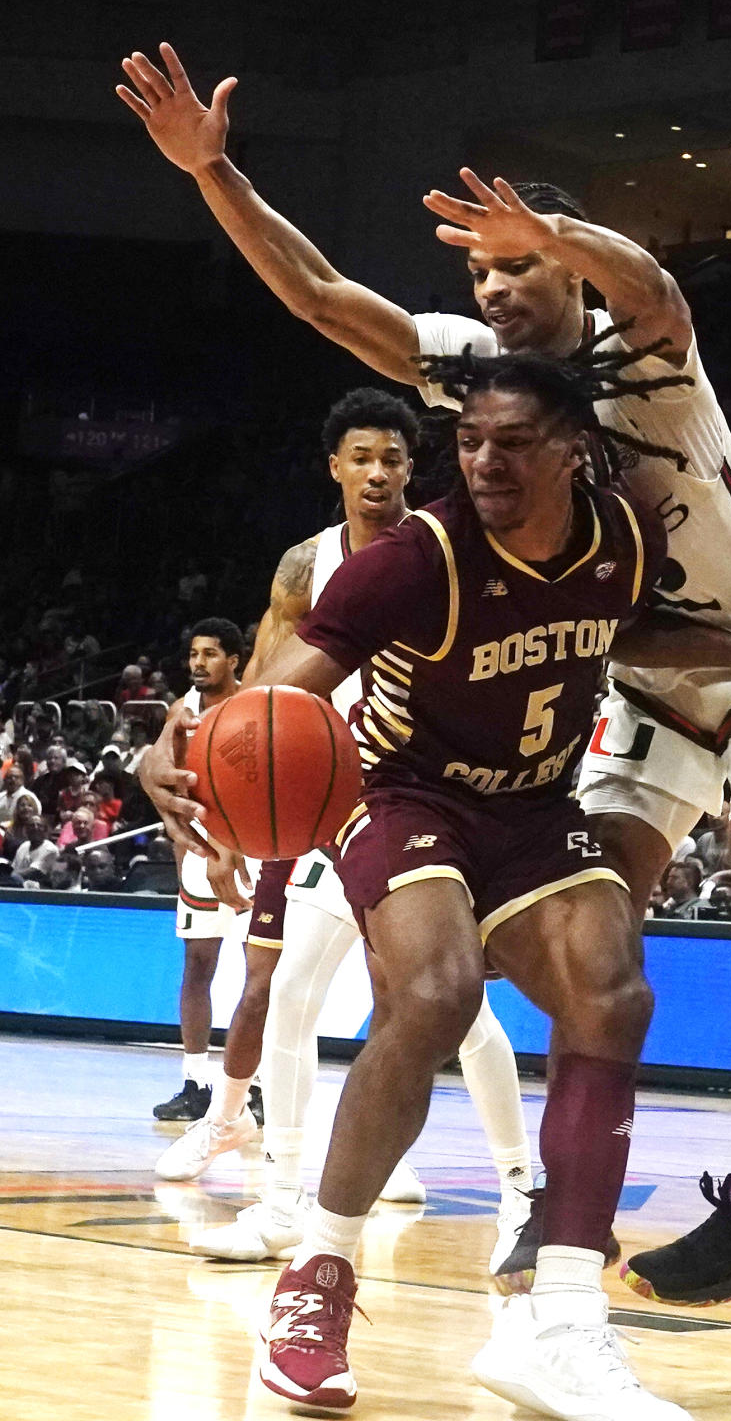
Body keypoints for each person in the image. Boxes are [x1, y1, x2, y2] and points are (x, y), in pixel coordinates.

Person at [117, 44, 731, 1308]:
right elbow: (329, 299)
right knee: (579, 954)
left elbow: (660, 282)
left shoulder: (649, 352)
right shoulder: (484, 383)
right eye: (482, 270)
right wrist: (215, 174)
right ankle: (551, 1215)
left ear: (569, 270)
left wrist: (554, 220)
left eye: (517, 266)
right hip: (648, 667)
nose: (495, 287)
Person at [141, 344, 731, 1420]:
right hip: (404, 799)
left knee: (614, 989)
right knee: (440, 991)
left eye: (514, 443)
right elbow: (276, 699)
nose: (486, 463)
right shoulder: (415, 558)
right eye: (469, 443)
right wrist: (176, 749)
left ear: (575, 453)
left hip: (537, 810)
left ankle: (562, 1323)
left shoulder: (621, 534)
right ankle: (315, 1279)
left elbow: (620, 626)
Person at [156, 392, 442, 1213]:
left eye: (392, 457)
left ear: (411, 467)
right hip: (308, 790)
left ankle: (382, 1152)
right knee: (264, 982)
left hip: (400, 788)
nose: (378, 472)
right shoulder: (303, 564)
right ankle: (227, 1117)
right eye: (362, 457)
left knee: (405, 994)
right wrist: (198, 761)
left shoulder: (439, 554)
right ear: (336, 468)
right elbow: (255, 692)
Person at [152, 618, 246, 1123]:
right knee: (197, 969)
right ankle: (196, 1082)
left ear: (234, 660)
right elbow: (168, 793)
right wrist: (181, 853)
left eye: (210, 654)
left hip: (253, 851)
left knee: (262, 973)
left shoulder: (257, 703)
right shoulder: (180, 712)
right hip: (201, 853)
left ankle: (254, 1085)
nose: (198, 663)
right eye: (194, 654)